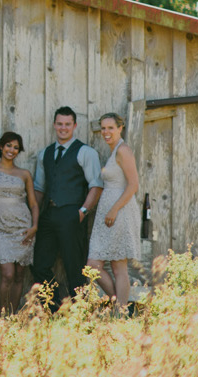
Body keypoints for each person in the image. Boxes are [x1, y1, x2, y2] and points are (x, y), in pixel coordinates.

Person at [32, 107, 103, 304]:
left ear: (74, 126)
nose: (63, 128)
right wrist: (36, 218)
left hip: (72, 215)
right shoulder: (44, 153)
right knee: (39, 266)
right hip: (48, 215)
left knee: (75, 267)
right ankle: (58, 309)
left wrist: (82, 212)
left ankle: (79, 311)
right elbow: (39, 188)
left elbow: (96, 186)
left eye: (67, 124)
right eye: (60, 124)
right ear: (54, 125)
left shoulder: (85, 152)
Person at [86, 113, 141, 315]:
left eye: (110, 128)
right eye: (103, 128)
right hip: (108, 211)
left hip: (119, 210)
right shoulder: (113, 151)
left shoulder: (123, 150)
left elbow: (133, 184)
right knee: (93, 265)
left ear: (120, 128)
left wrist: (114, 209)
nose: (106, 132)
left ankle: (120, 312)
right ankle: (120, 308)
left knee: (119, 267)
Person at [0, 130, 39, 315]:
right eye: (8, 146)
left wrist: (34, 227)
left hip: (23, 227)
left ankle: (13, 317)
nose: (12, 150)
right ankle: (2, 316)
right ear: (1, 146)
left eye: (16, 147)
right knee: (8, 274)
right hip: (0, 228)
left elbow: (33, 204)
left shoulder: (24, 174)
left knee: (20, 274)